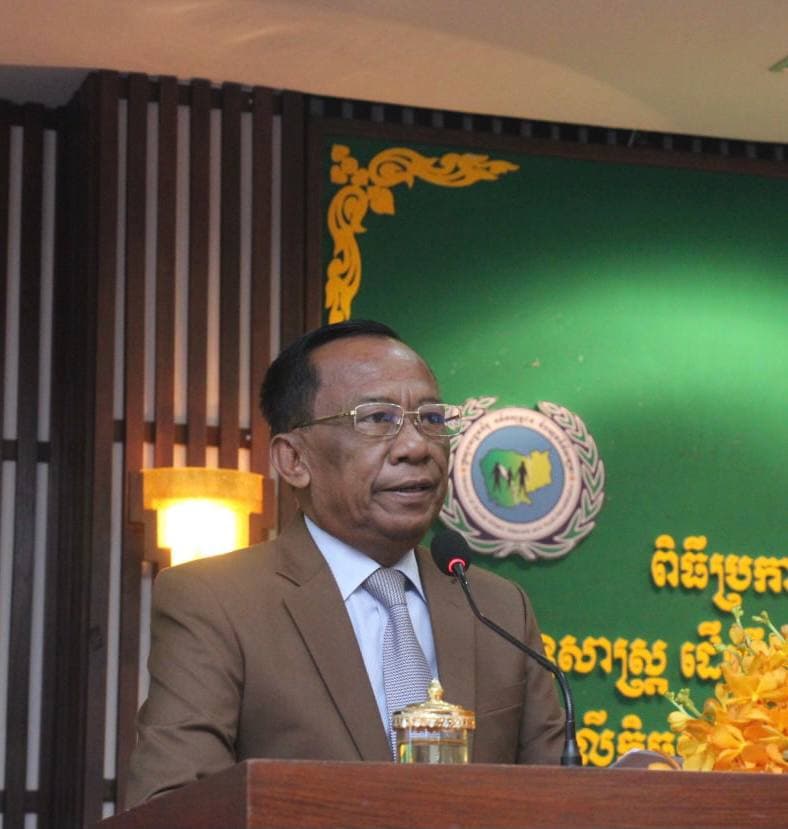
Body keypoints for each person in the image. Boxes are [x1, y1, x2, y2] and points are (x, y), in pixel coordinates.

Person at [125, 319, 565, 807]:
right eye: (376, 419)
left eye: (431, 418)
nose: (417, 447)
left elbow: (563, 801)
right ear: (294, 460)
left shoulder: (498, 608)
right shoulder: (218, 602)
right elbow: (173, 803)